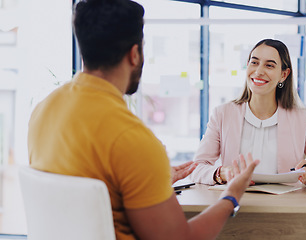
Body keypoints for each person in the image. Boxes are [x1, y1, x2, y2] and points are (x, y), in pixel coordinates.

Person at [27, 0, 259, 239]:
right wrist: (231, 196)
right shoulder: (132, 139)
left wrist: (148, 182)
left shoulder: (44, 109)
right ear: (135, 54)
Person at [190, 39, 306, 186]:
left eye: (269, 66)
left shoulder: (301, 118)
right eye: (254, 62)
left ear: (283, 75)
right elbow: (195, 168)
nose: (258, 71)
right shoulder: (222, 114)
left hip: (283, 206)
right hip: (236, 202)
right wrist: (221, 173)